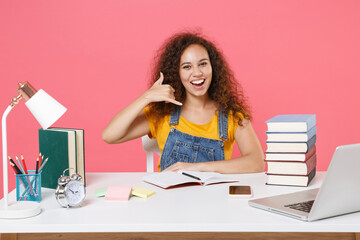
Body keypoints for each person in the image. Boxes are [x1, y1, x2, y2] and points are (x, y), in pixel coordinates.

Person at [102, 32, 264, 173]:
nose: (197, 72)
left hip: (215, 202)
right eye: (187, 67)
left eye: (203, 64)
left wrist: (199, 167)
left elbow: (257, 162)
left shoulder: (231, 115)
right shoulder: (162, 113)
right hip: (169, 201)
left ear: (213, 67)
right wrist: (146, 97)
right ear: (176, 73)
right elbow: (109, 136)